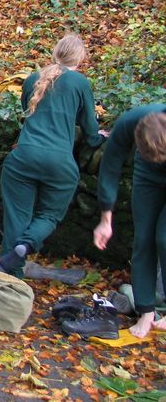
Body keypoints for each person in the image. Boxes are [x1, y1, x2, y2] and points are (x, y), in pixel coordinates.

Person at [0, 34, 106, 276]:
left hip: (22, 158)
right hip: (60, 163)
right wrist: (100, 138)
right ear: (80, 58)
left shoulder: (33, 79)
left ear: (55, 52)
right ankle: (25, 245)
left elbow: (28, 110)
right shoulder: (79, 83)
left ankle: (10, 274)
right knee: (48, 214)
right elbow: (90, 130)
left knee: (17, 216)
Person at [93, 106, 166, 338]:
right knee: (143, 238)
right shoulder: (129, 123)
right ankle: (146, 312)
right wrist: (106, 219)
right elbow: (110, 166)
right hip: (147, 175)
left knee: (164, 238)